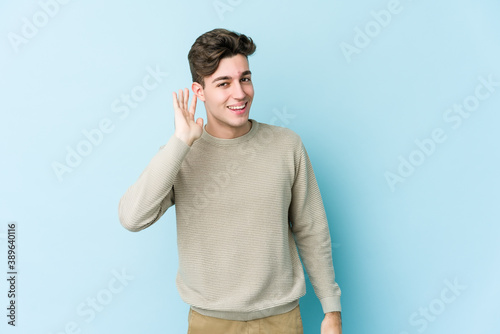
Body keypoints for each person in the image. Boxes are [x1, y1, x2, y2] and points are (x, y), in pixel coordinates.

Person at [118, 28, 342, 334]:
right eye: (224, 83)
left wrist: (331, 308)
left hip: (281, 320)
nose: (240, 93)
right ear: (199, 92)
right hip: (210, 322)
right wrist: (180, 142)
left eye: (245, 79)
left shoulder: (286, 145)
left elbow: (312, 229)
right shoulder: (180, 155)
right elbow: (132, 218)